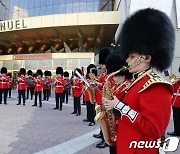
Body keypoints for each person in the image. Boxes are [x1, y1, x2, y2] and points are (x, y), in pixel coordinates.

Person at [103, 8, 175, 154]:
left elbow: (155, 129)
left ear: (147, 58)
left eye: (132, 57)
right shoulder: (136, 81)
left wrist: (119, 106)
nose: (127, 61)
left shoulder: (156, 86)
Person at [93, 47, 112, 149]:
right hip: (101, 98)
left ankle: (106, 140)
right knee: (102, 119)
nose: (101, 66)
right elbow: (101, 85)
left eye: (102, 64)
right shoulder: (104, 73)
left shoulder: (109, 74)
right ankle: (102, 133)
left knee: (107, 120)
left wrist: (98, 83)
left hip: (106, 99)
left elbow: (106, 85)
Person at [167, 66, 180, 136]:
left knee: (177, 118)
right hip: (176, 102)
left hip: (177, 103)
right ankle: (177, 131)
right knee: (176, 118)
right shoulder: (176, 80)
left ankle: (177, 131)